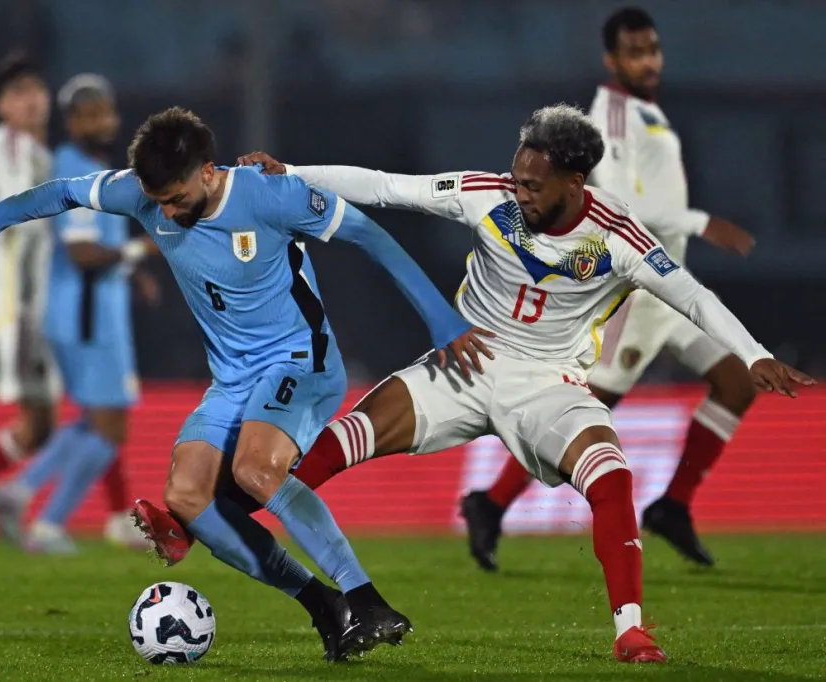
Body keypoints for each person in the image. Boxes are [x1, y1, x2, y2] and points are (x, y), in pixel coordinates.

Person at [214, 105, 812, 663]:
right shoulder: (486, 193)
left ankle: (629, 627)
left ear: (574, 185)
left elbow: (692, 296)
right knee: (344, 437)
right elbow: (384, 184)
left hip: (550, 383)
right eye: (517, 177)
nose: (518, 190)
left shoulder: (619, 237)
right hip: (467, 361)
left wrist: (753, 354)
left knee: (612, 477)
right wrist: (289, 171)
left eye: (533, 184)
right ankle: (207, 519)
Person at [0, 107, 491, 660]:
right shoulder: (141, 193)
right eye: (157, 200)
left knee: (255, 469)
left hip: (299, 361)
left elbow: (369, 235)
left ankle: (367, 600)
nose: (166, 212)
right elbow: (61, 193)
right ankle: (324, 609)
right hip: (232, 379)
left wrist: (442, 321)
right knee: (185, 497)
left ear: (207, 171)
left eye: (176, 198)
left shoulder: (268, 195)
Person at [463, 6, 761, 571]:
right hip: (640, 292)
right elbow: (623, 204)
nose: (649, 61)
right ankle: (491, 501)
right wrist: (699, 221)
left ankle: (672, 505)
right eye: (636, 52)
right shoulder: (614, 115)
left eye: (653, 49)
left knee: (736, 381)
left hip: (669, 291)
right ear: (611, 59)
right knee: (590, 407)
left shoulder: (647, 112)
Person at [0, 53, 143, 557]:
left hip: (45, 300)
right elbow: (30, 211)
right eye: (18, 93)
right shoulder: (10, 147)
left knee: (71, 413)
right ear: (0, 106)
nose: (32, 99)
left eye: (36, 89)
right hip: (24, 305)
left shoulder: (44, 150)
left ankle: (102, 512)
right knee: (74, 412)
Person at [0, 74, 155, 553]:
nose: (107, 121)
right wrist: (141, 253)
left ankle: (20, 491)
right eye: (95, 113)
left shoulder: (96, 168)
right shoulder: (71, 168)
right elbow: (82, 253)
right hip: (86, 316)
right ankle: (48, 524)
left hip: (99, 311)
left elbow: (102, 247)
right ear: (74, 119)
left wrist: (130, 267)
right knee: (112, 426)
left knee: (92, 422)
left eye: (109, 111)